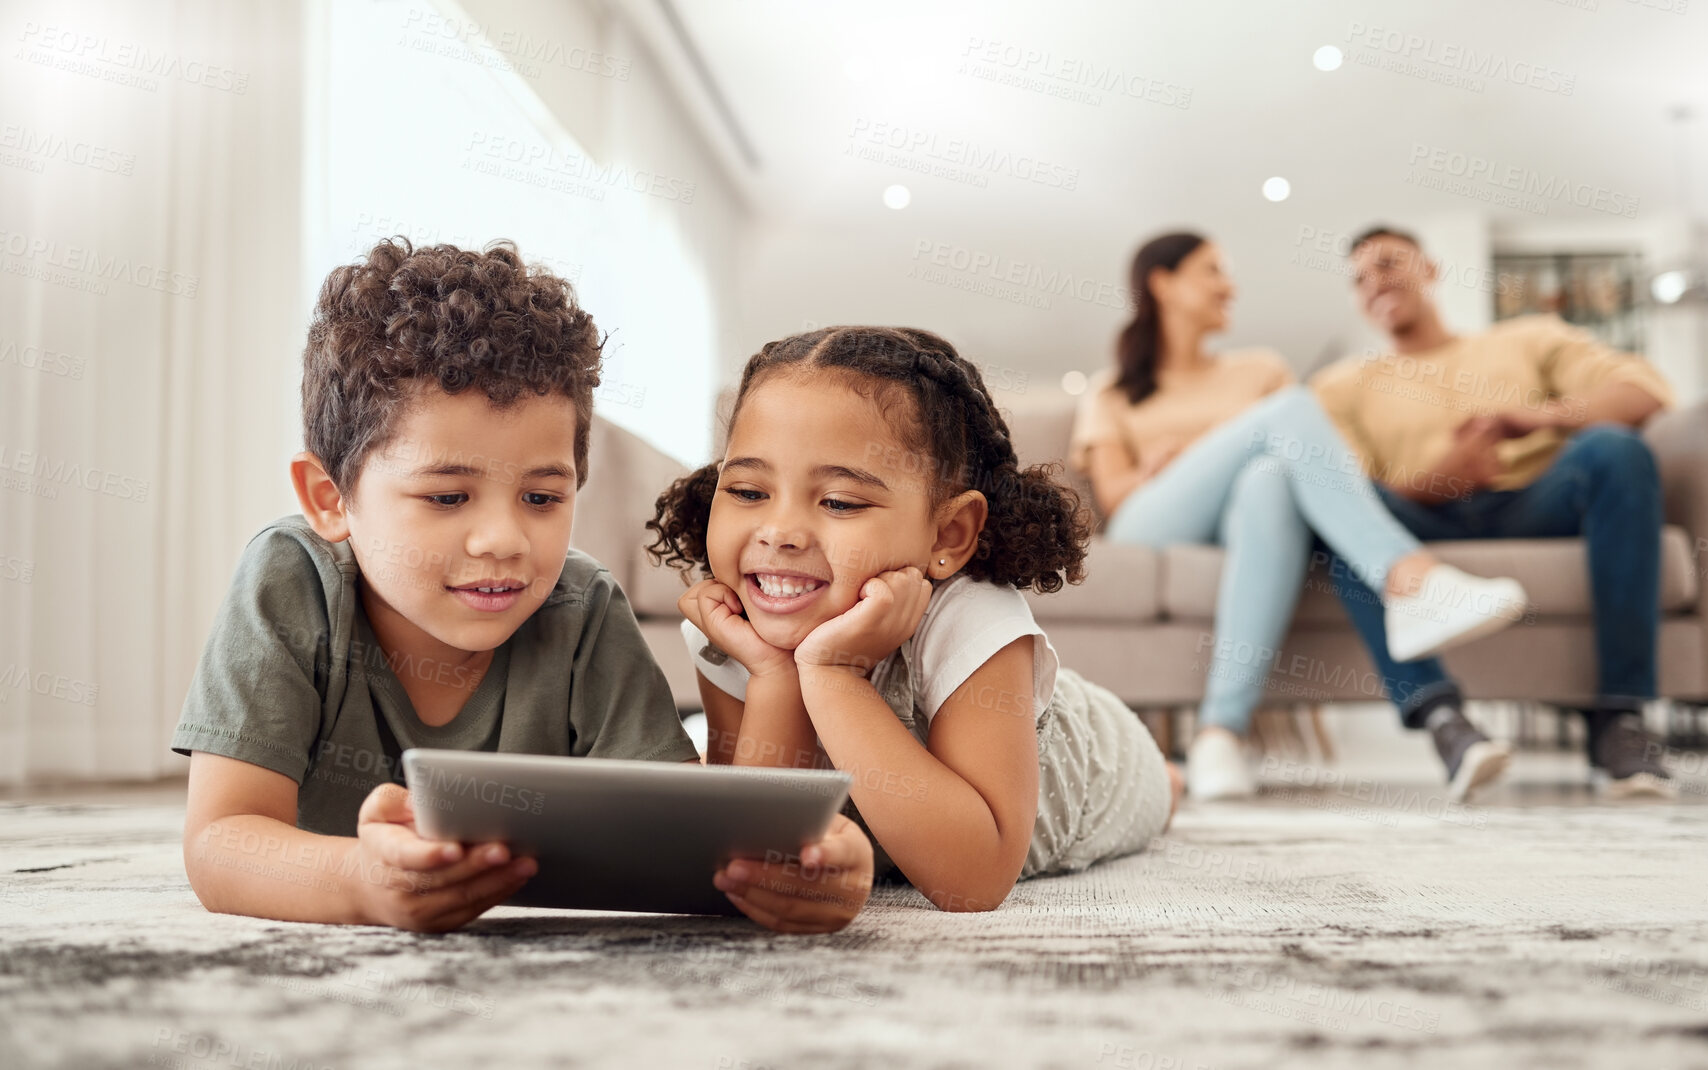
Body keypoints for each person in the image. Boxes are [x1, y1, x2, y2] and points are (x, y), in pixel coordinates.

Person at [171, 238, 872, 934]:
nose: (504, 541)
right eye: (446, 498)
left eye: (541, 499)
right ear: (329, 498)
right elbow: (221, 841)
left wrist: (803, 866)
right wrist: (366, 884)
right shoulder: (290, 580)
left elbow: (688, 842)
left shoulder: (581, 605)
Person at [650, 326, 1180, 912]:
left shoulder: (970, 617)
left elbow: (975, 880)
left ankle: (1172, 779)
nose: (778, 532)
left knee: (1158, 787)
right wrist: (776, 675)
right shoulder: (729, 626)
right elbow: (749, 848)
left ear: (948, 534)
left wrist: (835, 673)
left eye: (840, 502)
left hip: (1099, 767)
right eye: (748, 491)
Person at [1071, 232, 1528, 803]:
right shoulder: (1113, 391)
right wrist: (1179, 461)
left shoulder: (1258, 369)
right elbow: (1116, 499)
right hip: (1155, 523)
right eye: (1212, 270)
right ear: (1163, 284)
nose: (1228, 285)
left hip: (1249, 525)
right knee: (1289, 411)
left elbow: (1313, 466)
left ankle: (1219, 735)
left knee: (1269, 480)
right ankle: (1410, 579)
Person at [1310, 226, 1676, 797]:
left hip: (1534, 501)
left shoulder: (1529, 338)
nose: (1375, 280)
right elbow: (1348, 497)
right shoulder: (1340, 386)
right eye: (1359, 278)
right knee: (1340, 525)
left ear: (1431, 269)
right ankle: (1445, 722)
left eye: (1388, 263)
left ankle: (1620, 718)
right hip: (1420, 526)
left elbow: (1642, 395)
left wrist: (1533, 417)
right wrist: (1443, 476)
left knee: (1617, 450)